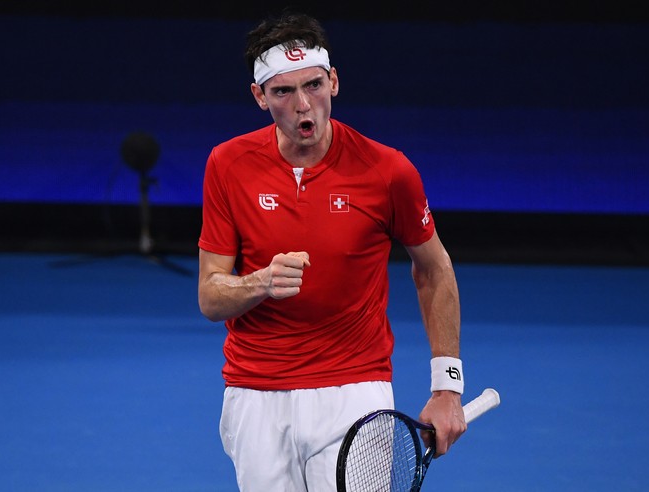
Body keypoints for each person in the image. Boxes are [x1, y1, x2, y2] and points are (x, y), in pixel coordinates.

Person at [197, 11, 466, 491]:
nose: (305, 105)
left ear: (334, 82)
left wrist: (447, 386)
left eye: (315, 85)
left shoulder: (388, 171)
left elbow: (435, 270)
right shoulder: (227, 164)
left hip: (354, 393)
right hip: (255, 395)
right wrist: (260, 281)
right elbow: (210, 298)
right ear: (260, 97)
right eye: (283, 91)